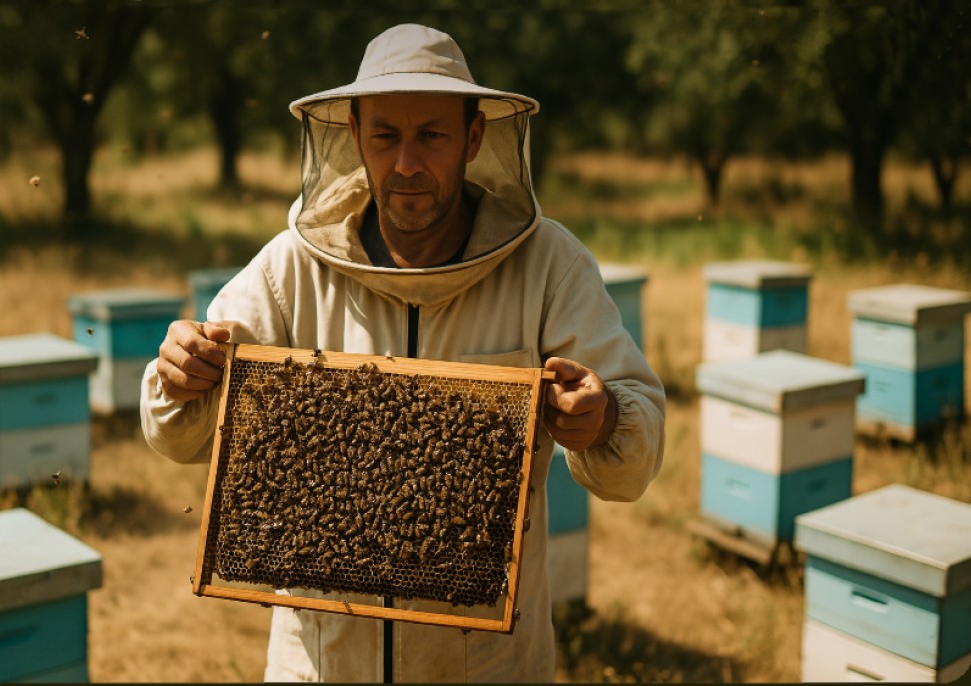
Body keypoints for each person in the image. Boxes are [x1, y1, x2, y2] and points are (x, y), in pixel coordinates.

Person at [140, 23, 665, 683]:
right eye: (385, 135)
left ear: (474, 138)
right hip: (322, 666)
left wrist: (606, 416)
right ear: (355, 136)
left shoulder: (548, 266)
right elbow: (177, 436)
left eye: (433, 135)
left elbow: (634, 454)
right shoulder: (290, 270)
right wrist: (179, 374)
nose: (408, 164)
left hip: (484, 668)